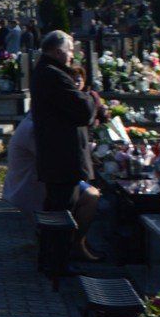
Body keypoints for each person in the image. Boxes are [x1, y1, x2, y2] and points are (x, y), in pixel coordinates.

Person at [30, 29, 102, 216]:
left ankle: (57, 235)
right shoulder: (53, 75)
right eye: (70, 50)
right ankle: (57, 237)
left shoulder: (47, 71)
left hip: (58, 159)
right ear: (58, 51)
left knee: (59, 210)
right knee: (62, 213)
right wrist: (92, 98)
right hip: (63, 159)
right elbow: (84, 111)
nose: (72, 56)